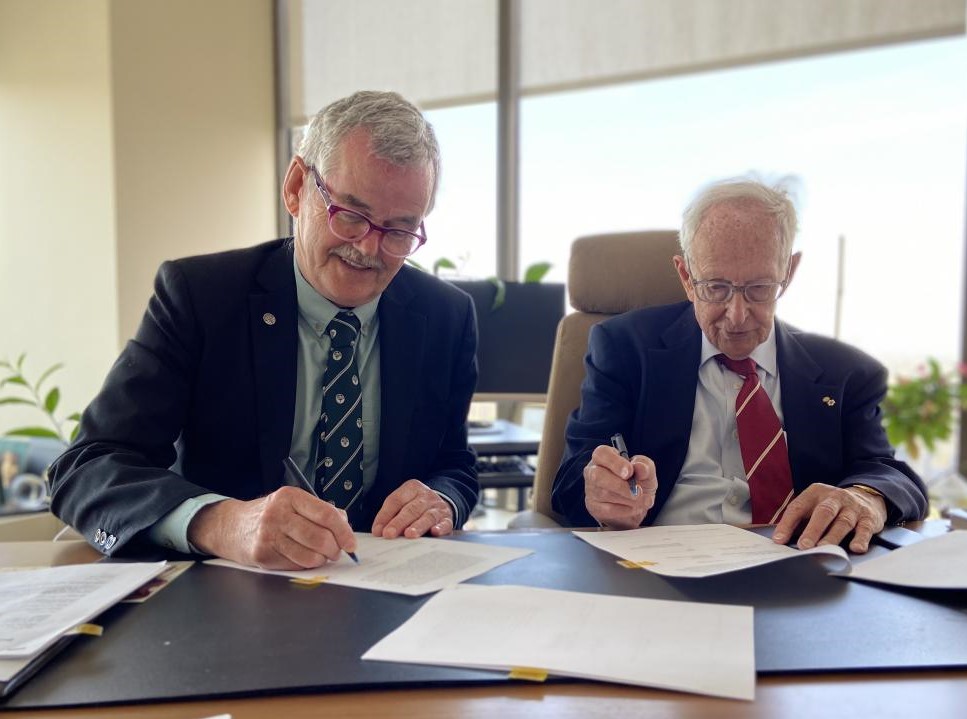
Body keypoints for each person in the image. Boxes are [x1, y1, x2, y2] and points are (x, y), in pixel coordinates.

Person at [49, 91, 479, 569]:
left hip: (389, 590)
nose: (369, 249)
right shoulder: (202, 297)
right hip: (226, 594)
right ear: (297, 187)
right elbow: (87, 466)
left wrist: (443, 499)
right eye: (352, 216)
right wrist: (222, 522)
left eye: (399, 231)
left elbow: (454, 465)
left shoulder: (446, 317)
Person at [552, 177, 927, 553]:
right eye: (715, 287)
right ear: (686, 277)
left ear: (789, 273)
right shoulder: (625, 347)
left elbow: (889, 474)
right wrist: (602, 494)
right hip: (657, 567)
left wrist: (865, 497)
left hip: (796, 570)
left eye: (760, 288)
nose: (736, 316)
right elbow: (571, 479)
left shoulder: (845, 373)